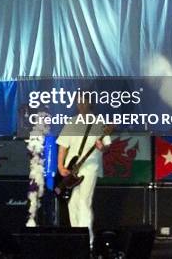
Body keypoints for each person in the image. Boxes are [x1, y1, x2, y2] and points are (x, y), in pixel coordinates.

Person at [56, 100, 111, 247]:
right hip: (72, 169)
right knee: (72, 203)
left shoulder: (99, 122)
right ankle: (77, 236)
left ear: (90, 104)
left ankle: (87, 240)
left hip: (90, 167)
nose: (80, 105)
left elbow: (107, 145)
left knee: (84, 201)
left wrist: (102, 148)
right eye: (78, 102)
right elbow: (62, 147)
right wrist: (60, 166)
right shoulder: (71, 122)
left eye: (83, 102)